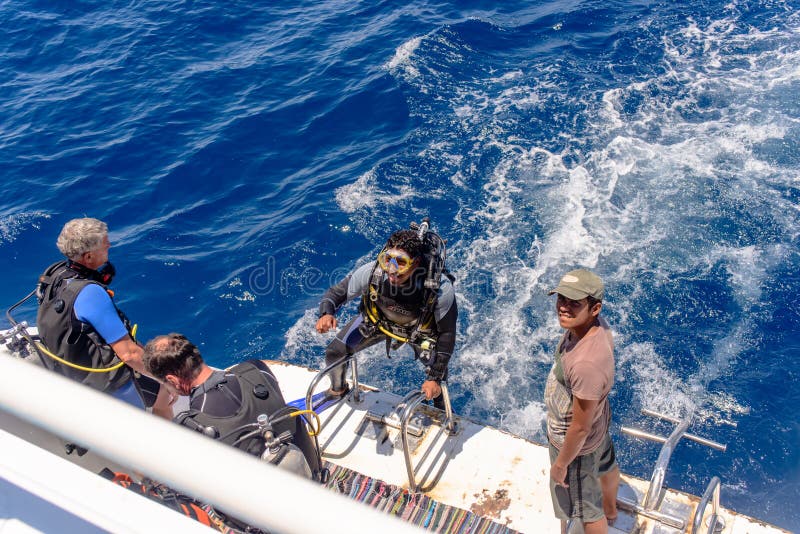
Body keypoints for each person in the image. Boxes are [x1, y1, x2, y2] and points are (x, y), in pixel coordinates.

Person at [36, 217, 172, 418]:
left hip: (68, 368)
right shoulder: (91, 294)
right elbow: (129, 355)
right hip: (101, 383)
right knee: (164, 393)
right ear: (89, 257)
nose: (109, 244)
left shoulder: (55, 273)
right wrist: (167, 381)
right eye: (104, 245)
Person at [142, 333, 322, 482]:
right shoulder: (256, 369)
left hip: (267, 508)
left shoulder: (190, 425)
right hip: (309, 473)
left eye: (165, 384)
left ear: (173, 380)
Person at [315, 220, 457, 409]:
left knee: (437, 379)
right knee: (335, 352)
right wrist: (326, 313)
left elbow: (447, 335)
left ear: (415, 263)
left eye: (400, 262)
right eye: (387, 259)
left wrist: (434, 378)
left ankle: (442, 409)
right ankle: (337, 391)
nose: (391, 269)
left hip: (420, 333)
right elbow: (335, 294)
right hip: (378, 323)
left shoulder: (439, 289)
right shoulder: (372, 272)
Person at [544, 268, 620, 534]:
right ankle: (612, 509)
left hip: (577, 446)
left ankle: (604, 516)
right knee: (607, 465)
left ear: (595, 307)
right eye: (561, 298)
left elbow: (579, 428)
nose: (563, 307)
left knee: (586, 510)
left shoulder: (587, 363)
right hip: (597, 425)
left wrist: (561, 465)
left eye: (574, 303)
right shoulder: (593, 327)